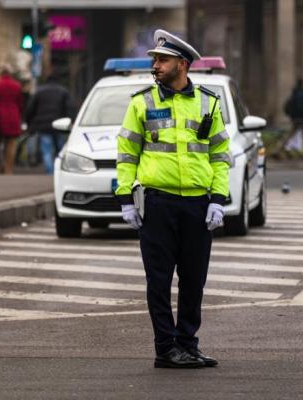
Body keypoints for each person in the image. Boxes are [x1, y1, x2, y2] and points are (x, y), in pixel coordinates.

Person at [115, 29, 231, 369]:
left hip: (197, 205)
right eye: (154, 59)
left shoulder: (208, 103)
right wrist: (125, 197)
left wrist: (218, 200)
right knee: (160, 280)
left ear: (182, 64)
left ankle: (187, 343)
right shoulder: (142, 102)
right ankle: (166, 348)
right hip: (158, 204)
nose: (156, 65)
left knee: (194, 279)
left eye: (162, 60)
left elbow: (220, 155)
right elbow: (126, 153)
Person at [24, 72, 74, 174]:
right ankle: (61, 171)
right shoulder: (63, 91)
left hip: (43, 126)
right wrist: (71, 121)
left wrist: (28, 122)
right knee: (60, 150)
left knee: (47, 150)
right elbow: (70, 108)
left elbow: (30, 109)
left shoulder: (39, 91)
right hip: (60, 125)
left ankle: (50, 172)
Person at [0, 63, 24, 174]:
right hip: (13, 116)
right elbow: (20, 103)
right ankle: (8, 169)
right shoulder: (17, 85)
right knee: (11, 145)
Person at [275, 77, 303, 160]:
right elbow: (301, 107)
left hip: (297, 119)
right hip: (302, 119)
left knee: (290, 135)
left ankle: (278, 150)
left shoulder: (297, 92)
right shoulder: (301, 94)